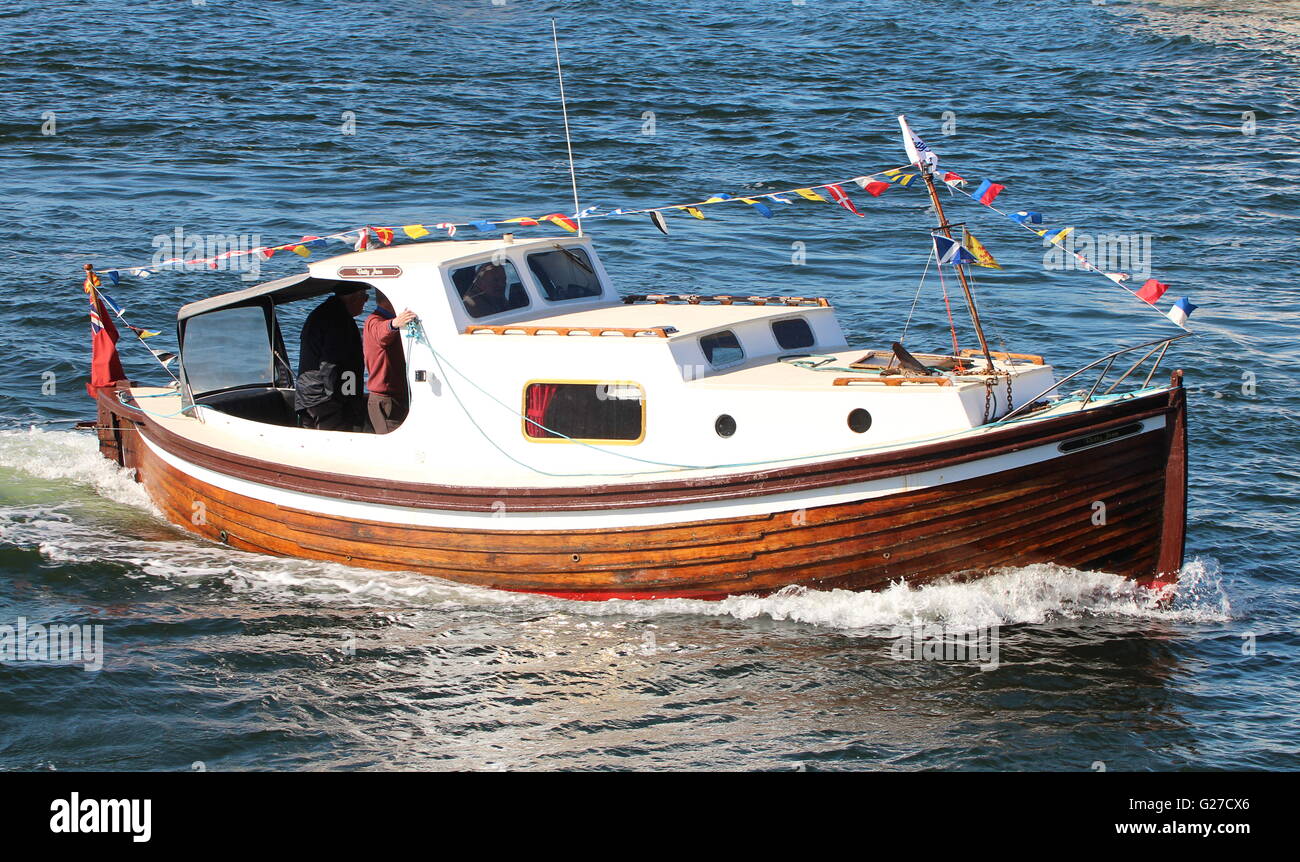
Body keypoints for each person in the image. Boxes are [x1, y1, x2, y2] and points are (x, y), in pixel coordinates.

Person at [295, 284, 368, 430]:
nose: (365, 303)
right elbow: (331, 364)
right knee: (334, 443)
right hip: (324, 400)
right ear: (354, 298)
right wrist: (339, 400)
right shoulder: (338, 319)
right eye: (365, 298)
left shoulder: (323, 312)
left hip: (308, 394)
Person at [364, 292, 417, 434]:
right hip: (385, 399)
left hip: (398, 396)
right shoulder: (374, 320)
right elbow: (381, 334)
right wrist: (394, 324)